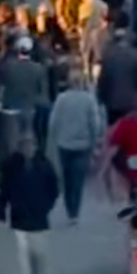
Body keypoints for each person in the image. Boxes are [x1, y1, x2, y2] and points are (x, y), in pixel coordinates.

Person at [0, 129, 59, 274]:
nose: (27, 149)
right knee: (22, 251)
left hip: (39, 216)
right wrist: (1, 211)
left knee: (38, 252)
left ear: (36, 146)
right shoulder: (12, 166)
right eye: (24, 145)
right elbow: (4, 189)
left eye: (30, 145)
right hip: (19, 215)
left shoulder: (44, 165)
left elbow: (54, 189)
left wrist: (46, 206)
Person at [48, 71, 102, 225]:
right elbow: (95, 121)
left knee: (66, 178)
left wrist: (55, 137)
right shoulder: (88, 99)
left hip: (64, 143)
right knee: (78, 179)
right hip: (83, 144)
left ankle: (69, 207)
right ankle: (75, 213)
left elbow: (53, 121)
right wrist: (95, 138)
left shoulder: (61, 99)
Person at [0, 36, 48, 154]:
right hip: (30, 109)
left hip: (11, 109)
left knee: (12, 142)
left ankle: (14, 164)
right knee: (28, 139)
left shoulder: (8, 67)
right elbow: (43, 92)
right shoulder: (38, 69)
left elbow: (2, 88)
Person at [96, 26, 137, 127]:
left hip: (112, 104)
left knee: (114, 132)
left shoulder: (109, 56)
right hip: (132, 105)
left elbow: (103, 80)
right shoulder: (135, 56)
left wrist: (100, 97)